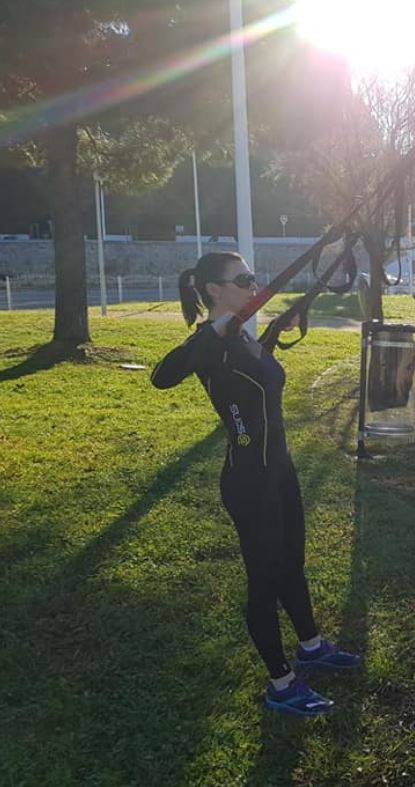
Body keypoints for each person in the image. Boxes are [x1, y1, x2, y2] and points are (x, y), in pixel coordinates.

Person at [151, 252, 361, 718]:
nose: (252, 285)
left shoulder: (242, 337)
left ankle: (311, 646)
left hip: (280, 472)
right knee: (264, 582)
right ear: (212, 290)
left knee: (292, 564)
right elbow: (162, 378)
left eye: (252, 278)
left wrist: (272, 332)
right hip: (248, 480)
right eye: (243, 279)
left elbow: (255, 379)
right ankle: (281, 684)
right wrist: (217, 326)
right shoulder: (210, 344)